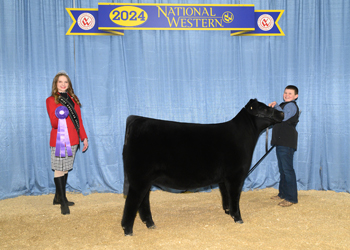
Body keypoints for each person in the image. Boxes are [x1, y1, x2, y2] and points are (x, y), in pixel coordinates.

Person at [46, 71, 88, 215]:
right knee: (59, 168)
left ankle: (58, 197)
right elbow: (53, 122)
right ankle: (62, 200)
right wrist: (61, 114)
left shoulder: (74, 99)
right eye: (60, 82)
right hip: (59, 140)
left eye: (65, 82)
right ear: (55, 84)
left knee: (65, 168)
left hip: (73, 140)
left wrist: (84, 137)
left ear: (68, 84)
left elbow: (79, 121)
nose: (63, 84)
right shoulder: (51, 100)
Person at [269, 85, 299, 207]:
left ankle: (291, 198)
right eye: (285, 92)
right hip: (281, 142)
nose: (287, 95)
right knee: (283, 170)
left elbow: (283, 117)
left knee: (287, 170)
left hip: (286, 143)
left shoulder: (291, 105)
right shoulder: (283, 105)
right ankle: (282, 194)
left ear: (295, 96)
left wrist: (275, 106)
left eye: (290, 93)